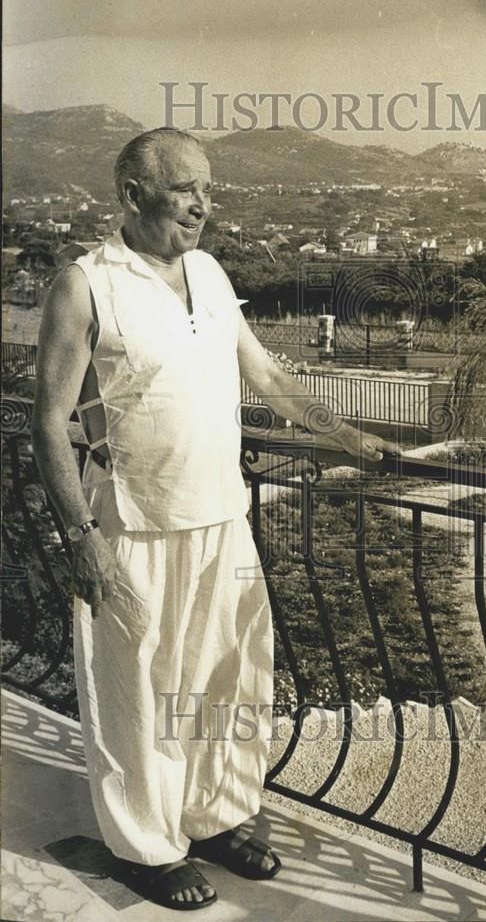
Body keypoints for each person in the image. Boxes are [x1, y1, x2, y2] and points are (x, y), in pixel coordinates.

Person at [31, 127, 401, 911]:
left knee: (227, 678)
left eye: (209, 188)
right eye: (188, 188)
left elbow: (266, 376)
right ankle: (144, 848)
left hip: (220, 518)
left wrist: (351, 437)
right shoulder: (85, 284)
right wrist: (80, 539)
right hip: (129, 524)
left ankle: (217, 815)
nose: (204, 204)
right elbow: (47, 420)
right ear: (134, 195)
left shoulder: (206, 270)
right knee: (136, 688)